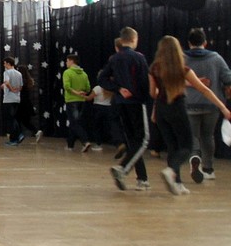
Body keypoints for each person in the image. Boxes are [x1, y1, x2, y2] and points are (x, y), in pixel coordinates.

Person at [149, 35, 231, 195]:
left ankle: (177, 184)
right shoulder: (183, 70)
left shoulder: (154, 69)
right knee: (186, 146)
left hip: (161, 110)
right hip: (177, 108)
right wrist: (223, 108)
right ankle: (171, 171)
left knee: (172, 147)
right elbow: (204, 90)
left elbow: (153, 93)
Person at [98, 27, 151, 192]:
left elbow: (102, 78)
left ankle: (142, 179)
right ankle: (122, 168)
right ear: (134, 39)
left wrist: (118, 89)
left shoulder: (115, 58)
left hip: (121, 103)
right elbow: (144, 82)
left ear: (121, 40)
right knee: (143, 140)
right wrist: (145, 99)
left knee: (133, 141)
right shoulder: (138, 58)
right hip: (136, 103)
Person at [183, 27, 231, 183]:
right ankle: (208, 169)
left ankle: (195, 156)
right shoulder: (216, 58)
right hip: (212, 104)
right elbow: (228, 78)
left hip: (188, 103)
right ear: (205, 42)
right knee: (208, 136)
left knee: (193, 136)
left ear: (189, 43)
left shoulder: (182, 58)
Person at [63, 54, 92, 152]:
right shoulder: (84, 74)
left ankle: (85, 141)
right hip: (82, 101)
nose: (66, 63)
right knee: (74, 122)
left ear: (71, 61)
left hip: (71, 101)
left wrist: (76, 92)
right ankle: (70, 145)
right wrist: (83, 93)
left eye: (67, 61)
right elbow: (88, 88)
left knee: (74, 123)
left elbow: (67, 87)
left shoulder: (67, 72)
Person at [16, 64, 43, 144]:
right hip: (27, 104)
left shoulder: (20, 81)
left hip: (21, 104)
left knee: (17, 120)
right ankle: (36, 131)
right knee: (26, 122)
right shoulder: (28, 80)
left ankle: (19, 136)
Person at [0, 57, 23, 146]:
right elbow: (21, 86)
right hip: (16, 99)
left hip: (8, 99)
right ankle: (17, 137)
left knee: (10, 119)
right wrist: (15, 90)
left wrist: (11, 89)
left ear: (8, 64)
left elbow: (7, 82)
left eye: (5, 63)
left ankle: (16, 137)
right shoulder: (19, 73)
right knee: (13, 118)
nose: (4, 65)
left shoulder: (6, 72)